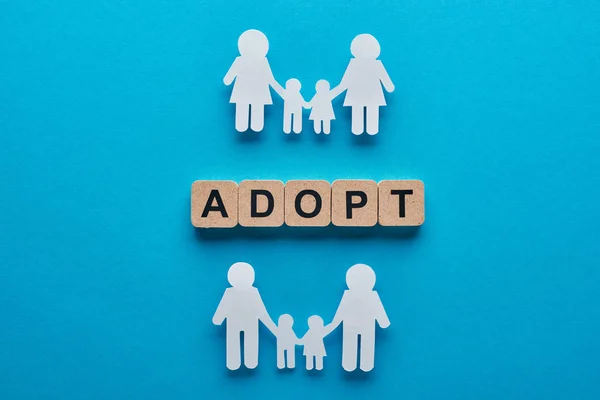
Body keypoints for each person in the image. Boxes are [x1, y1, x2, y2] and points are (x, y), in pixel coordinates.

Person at [212, 262, 277, 370]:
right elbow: (262, 312)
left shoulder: (248, 292)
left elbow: (261, 311)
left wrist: (218, 319)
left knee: (240, 340)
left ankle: (242, 362)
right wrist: (274, 328)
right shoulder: (234, 292)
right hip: (244, 323)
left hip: (240, 322)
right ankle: (242, 362)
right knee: (242, 340)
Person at [328, 264, 390, 372]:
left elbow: (378, 309)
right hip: (353, 326)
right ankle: (351, 364)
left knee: (365, 343)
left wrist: (383, 321)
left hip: (364, 326)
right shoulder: (350, 295)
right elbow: (342, 310)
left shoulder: (371, 295)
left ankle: (363, 365)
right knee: (353, 343)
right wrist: (383, 322)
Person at [331, 34, 395, 135]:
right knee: (362, 109)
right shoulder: (363, 64)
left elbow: (344, 83)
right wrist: (389, 86)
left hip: (362, 95)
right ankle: (362, 128)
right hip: (365, 95)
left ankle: (365, 128)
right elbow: (345, 83)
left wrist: (332, 94)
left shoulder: (368, 64)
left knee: (365, 109)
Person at [223, 29, 284, 132]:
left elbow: (228, 79)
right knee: (252, 108)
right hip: (258, 92)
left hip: (245, 92)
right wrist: (282, 92)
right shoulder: (260, 61)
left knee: (248, 108)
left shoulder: (242, 60)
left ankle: (249, 125)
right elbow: (270, 79)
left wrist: (282, 92)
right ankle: (252, 125)